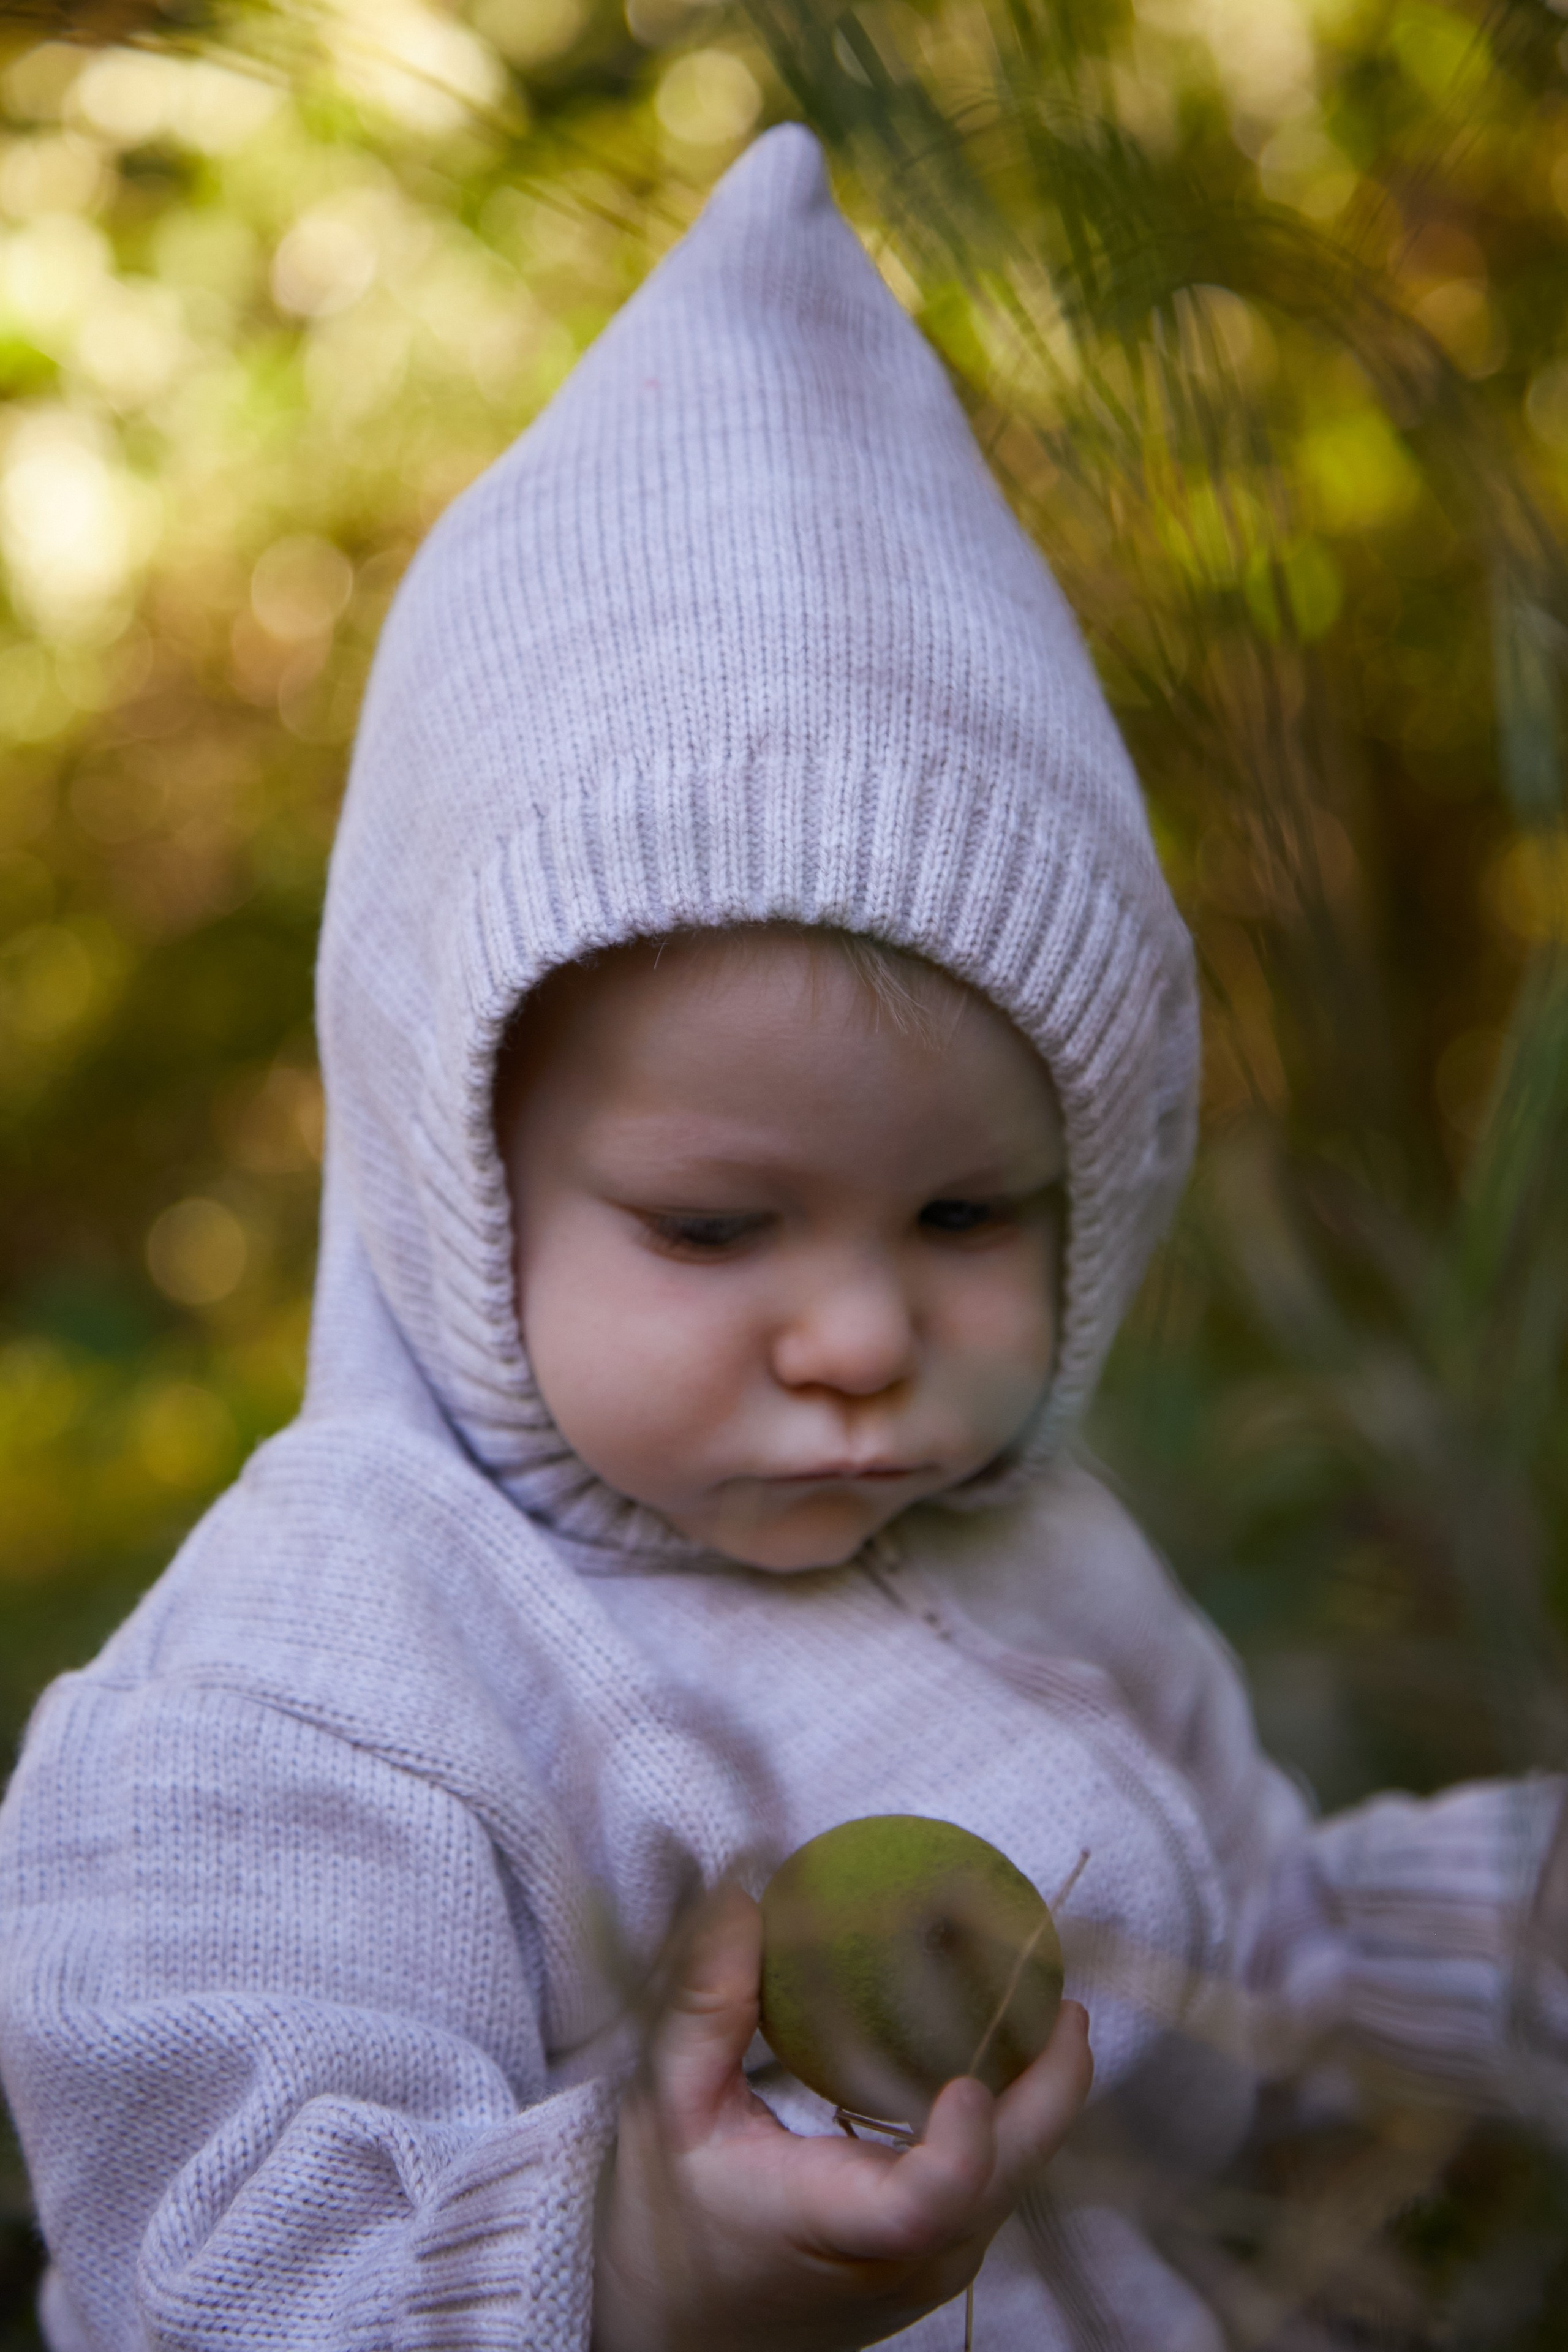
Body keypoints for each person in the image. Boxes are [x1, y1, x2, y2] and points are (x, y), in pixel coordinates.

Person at [0, 123, 1560, 2352]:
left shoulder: (1040, 1562)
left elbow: (1257, 1977)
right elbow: (209, 2267)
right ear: (467, 1176)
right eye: (716, 1225)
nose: (857, 1332)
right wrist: (636, 2256)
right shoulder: (333, 1668)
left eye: (965, 1213)